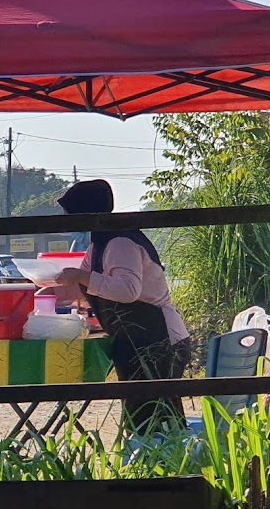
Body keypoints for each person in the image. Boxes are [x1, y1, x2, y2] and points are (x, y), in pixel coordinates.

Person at [50, 179, 191, 434]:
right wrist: (43, 290)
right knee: (143, 417)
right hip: (134, 340)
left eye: (68, 212)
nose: (64, 219)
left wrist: (80, 277)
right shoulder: (98, 244)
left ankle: (164, 470)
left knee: (155, 418)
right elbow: (77, 285)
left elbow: (127, 290)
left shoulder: (120, 242)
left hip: (158, 340)